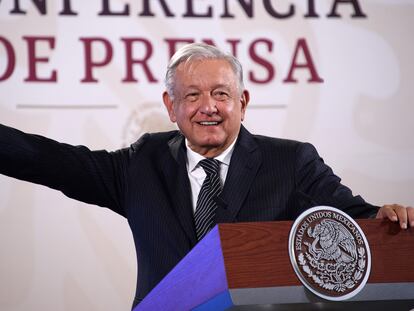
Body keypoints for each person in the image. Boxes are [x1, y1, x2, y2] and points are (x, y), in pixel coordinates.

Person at [0, 43, 412, 309]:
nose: (207, 107)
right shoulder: (142, 163)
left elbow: (353, 218)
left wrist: (386, 216)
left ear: (243, 101)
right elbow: (49, 160)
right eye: (192, 95)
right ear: (171, 106)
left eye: (220, 94)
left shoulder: (291, 162)